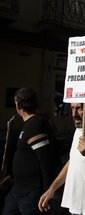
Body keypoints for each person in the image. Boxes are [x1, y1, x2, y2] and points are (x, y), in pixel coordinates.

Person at [1, 87, 54, 215]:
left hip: (31, 193)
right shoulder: (30, 124)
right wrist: (14, 177)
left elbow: (45, 159)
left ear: (17, 105)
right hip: (18, 189)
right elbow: (29, 156)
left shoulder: (35, 126)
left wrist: (48, 190)